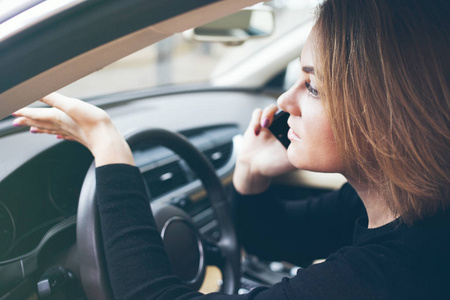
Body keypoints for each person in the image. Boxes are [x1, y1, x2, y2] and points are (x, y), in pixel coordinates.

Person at [12, 0, 449, 299]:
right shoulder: (393, 204)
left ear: (383, 114)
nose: (284, 102)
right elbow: (284, 237)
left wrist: (109, 148)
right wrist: (250, 176)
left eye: (313, 87)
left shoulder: (388, 274)